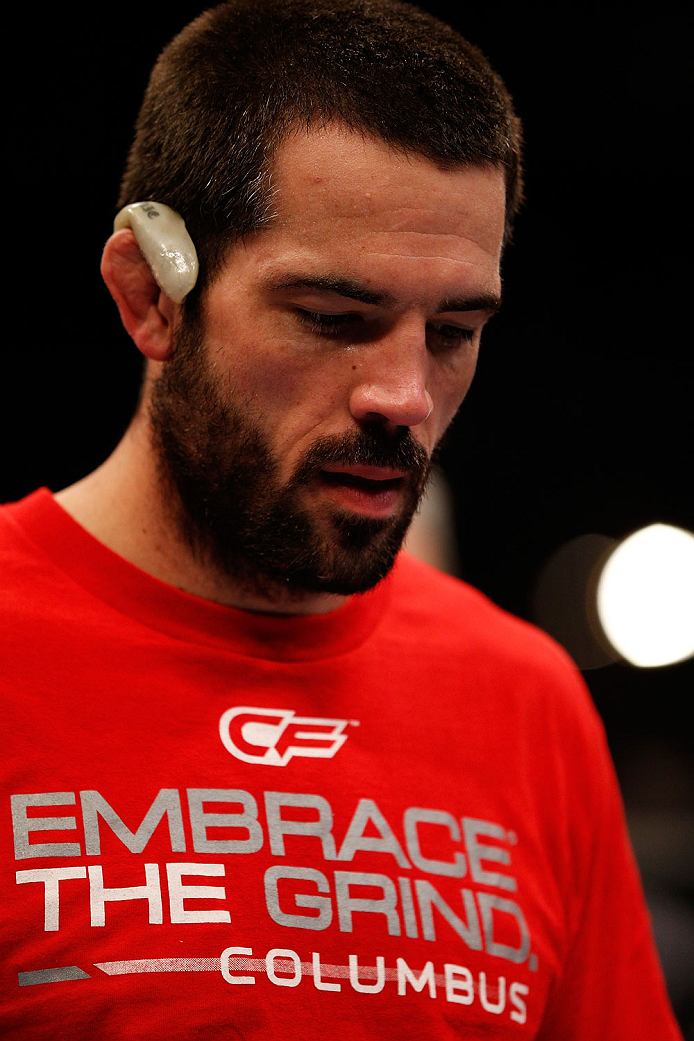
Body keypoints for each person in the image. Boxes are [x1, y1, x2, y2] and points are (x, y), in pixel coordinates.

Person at [0, 1, 681, 1037]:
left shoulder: (525, 706)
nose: (403, 395)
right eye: (334, 320)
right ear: (149, 296)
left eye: (453, 332)